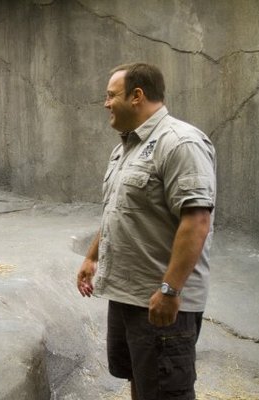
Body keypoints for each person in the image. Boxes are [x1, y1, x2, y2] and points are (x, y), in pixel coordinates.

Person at [76, 63, 216, 400]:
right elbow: (118, 210)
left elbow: (197, 220)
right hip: (127, 292)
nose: (106, 104)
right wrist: (92, 257)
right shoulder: (126, 147)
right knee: (139, 380)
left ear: (136, 96)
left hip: (162, 300)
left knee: (166, 392)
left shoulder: (180, 143)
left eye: (111, 95)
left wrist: (169, 289)